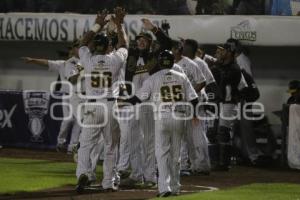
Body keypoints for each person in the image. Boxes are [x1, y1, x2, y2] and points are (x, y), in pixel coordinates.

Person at [121, 50, 199, 197]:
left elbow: (138, 99)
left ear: (159, 62)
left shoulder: (153, 78)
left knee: (162, 154)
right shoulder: (182, 76)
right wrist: (194, 114)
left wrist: (123, 100)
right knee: (176, 155)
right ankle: (175, 187)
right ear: (172, 62)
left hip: (162, 118)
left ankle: (164, 188)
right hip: (179, 117)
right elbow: (194, 99)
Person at [75, 7, 128, 193]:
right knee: (111, 146)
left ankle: (83, 172)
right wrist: (120, 24)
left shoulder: (87, 60)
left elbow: (82, 43)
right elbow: (124, 45)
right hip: (109, 104)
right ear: (107, 47)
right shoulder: (114, 60)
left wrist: (98, 24)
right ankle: (108, 181)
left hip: (91, 106)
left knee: (86, 144)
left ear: (95, 46)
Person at [119, 18, 172, 187]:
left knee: (148, 141)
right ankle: (136, 175)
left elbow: (168, 43)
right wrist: (118, 27)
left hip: (149, 104)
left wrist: (155, 29)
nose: (141, 42)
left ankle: (150, 177)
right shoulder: (131, 57)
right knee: (132, 140)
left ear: (150, 43)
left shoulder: (155, 57)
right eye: (139, 40)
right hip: (132, 104)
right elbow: (121, 45)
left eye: (144, 40)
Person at [21, 40, 83, 153]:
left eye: (73, 48)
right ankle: (60, 142)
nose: (71, 51)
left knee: (79, 122)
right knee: (68, 120)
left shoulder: (83, 63)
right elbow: (47, 62)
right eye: (71, 49)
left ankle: (72, 147)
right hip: (67, 96)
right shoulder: (62, 64)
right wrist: (33, 60)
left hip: (79, 96)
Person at [213, 43, 248, 170]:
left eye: (223, 51)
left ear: (229, 52)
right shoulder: (224, 66)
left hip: (229, 103)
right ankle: (221, 161)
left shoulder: (234, 68)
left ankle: (224, 163)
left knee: (224, 132)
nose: (220, 53)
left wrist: (216, 66)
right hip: (223, 103)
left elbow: (224, 83)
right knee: (219, 131)